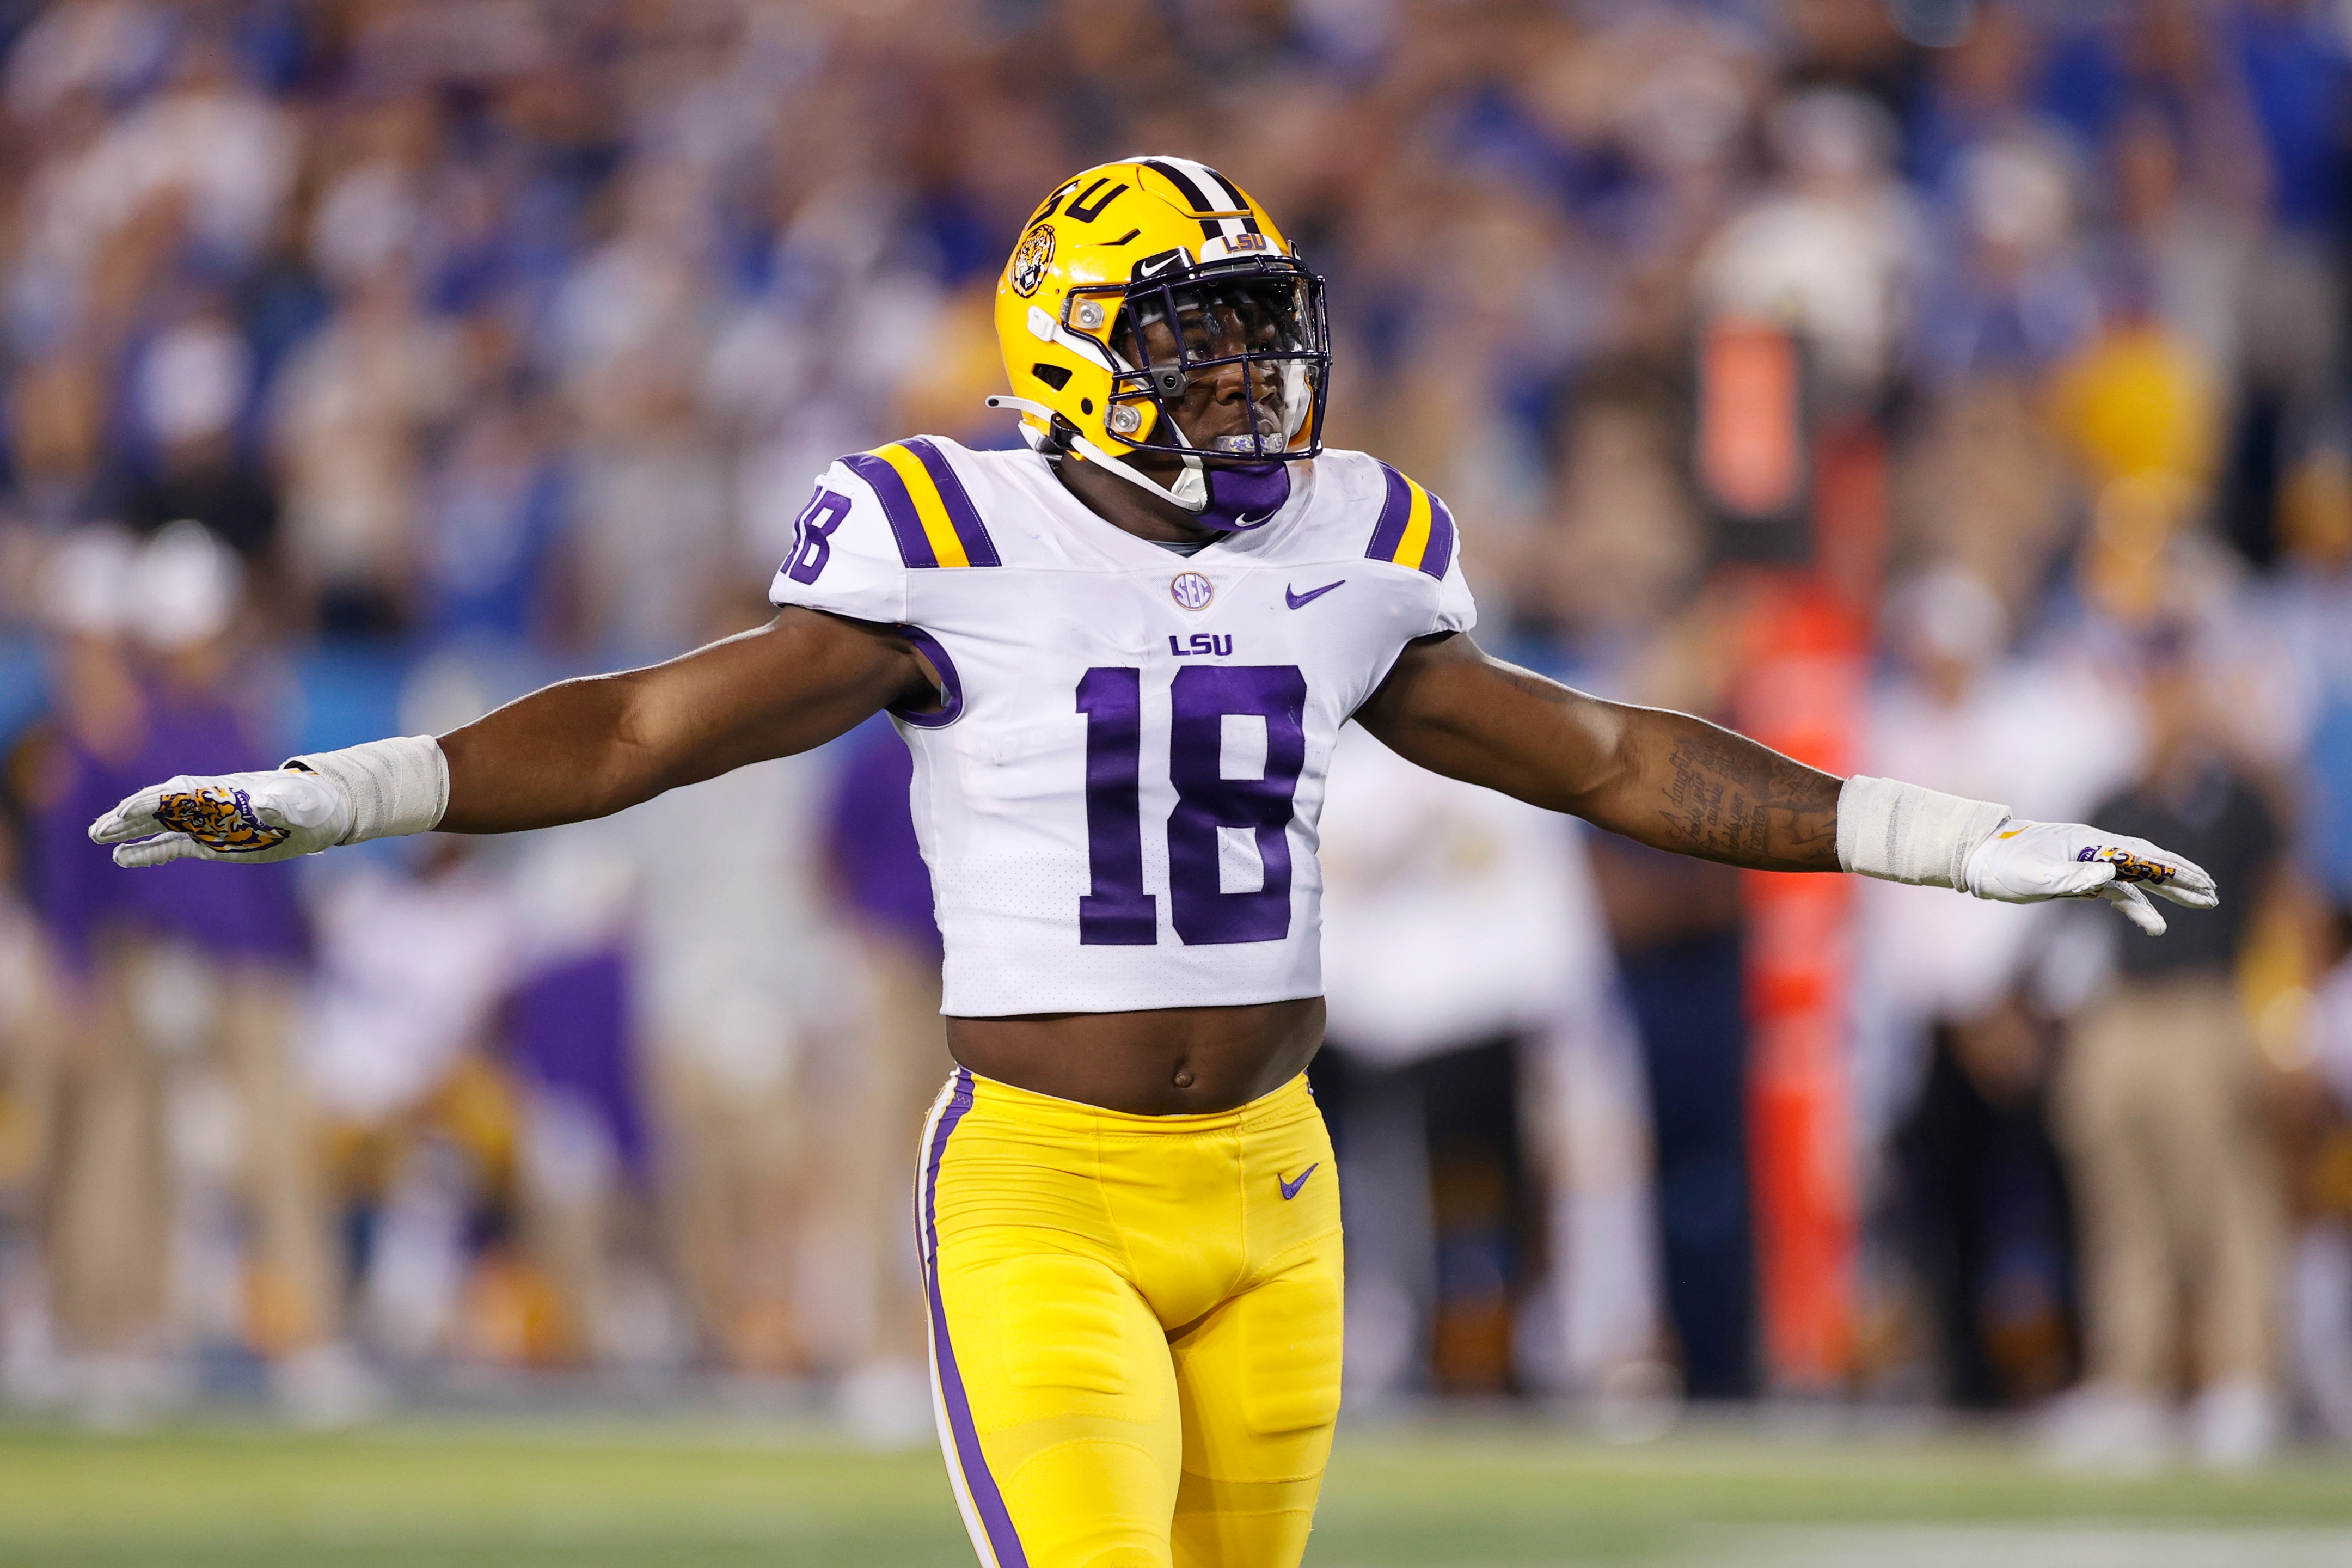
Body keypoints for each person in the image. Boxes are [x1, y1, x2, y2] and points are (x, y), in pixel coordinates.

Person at [88, 160, 2215, 1567]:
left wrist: (1939, 839)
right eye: (1196, 333)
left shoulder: (1355, 541)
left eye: (1257, 325)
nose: (1250, 373)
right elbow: (645, 726)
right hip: (1048, 1185)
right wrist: (344, 793)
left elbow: (1603, 755)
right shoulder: (947, 537)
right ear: (1073, 349)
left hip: (1275, 1192)